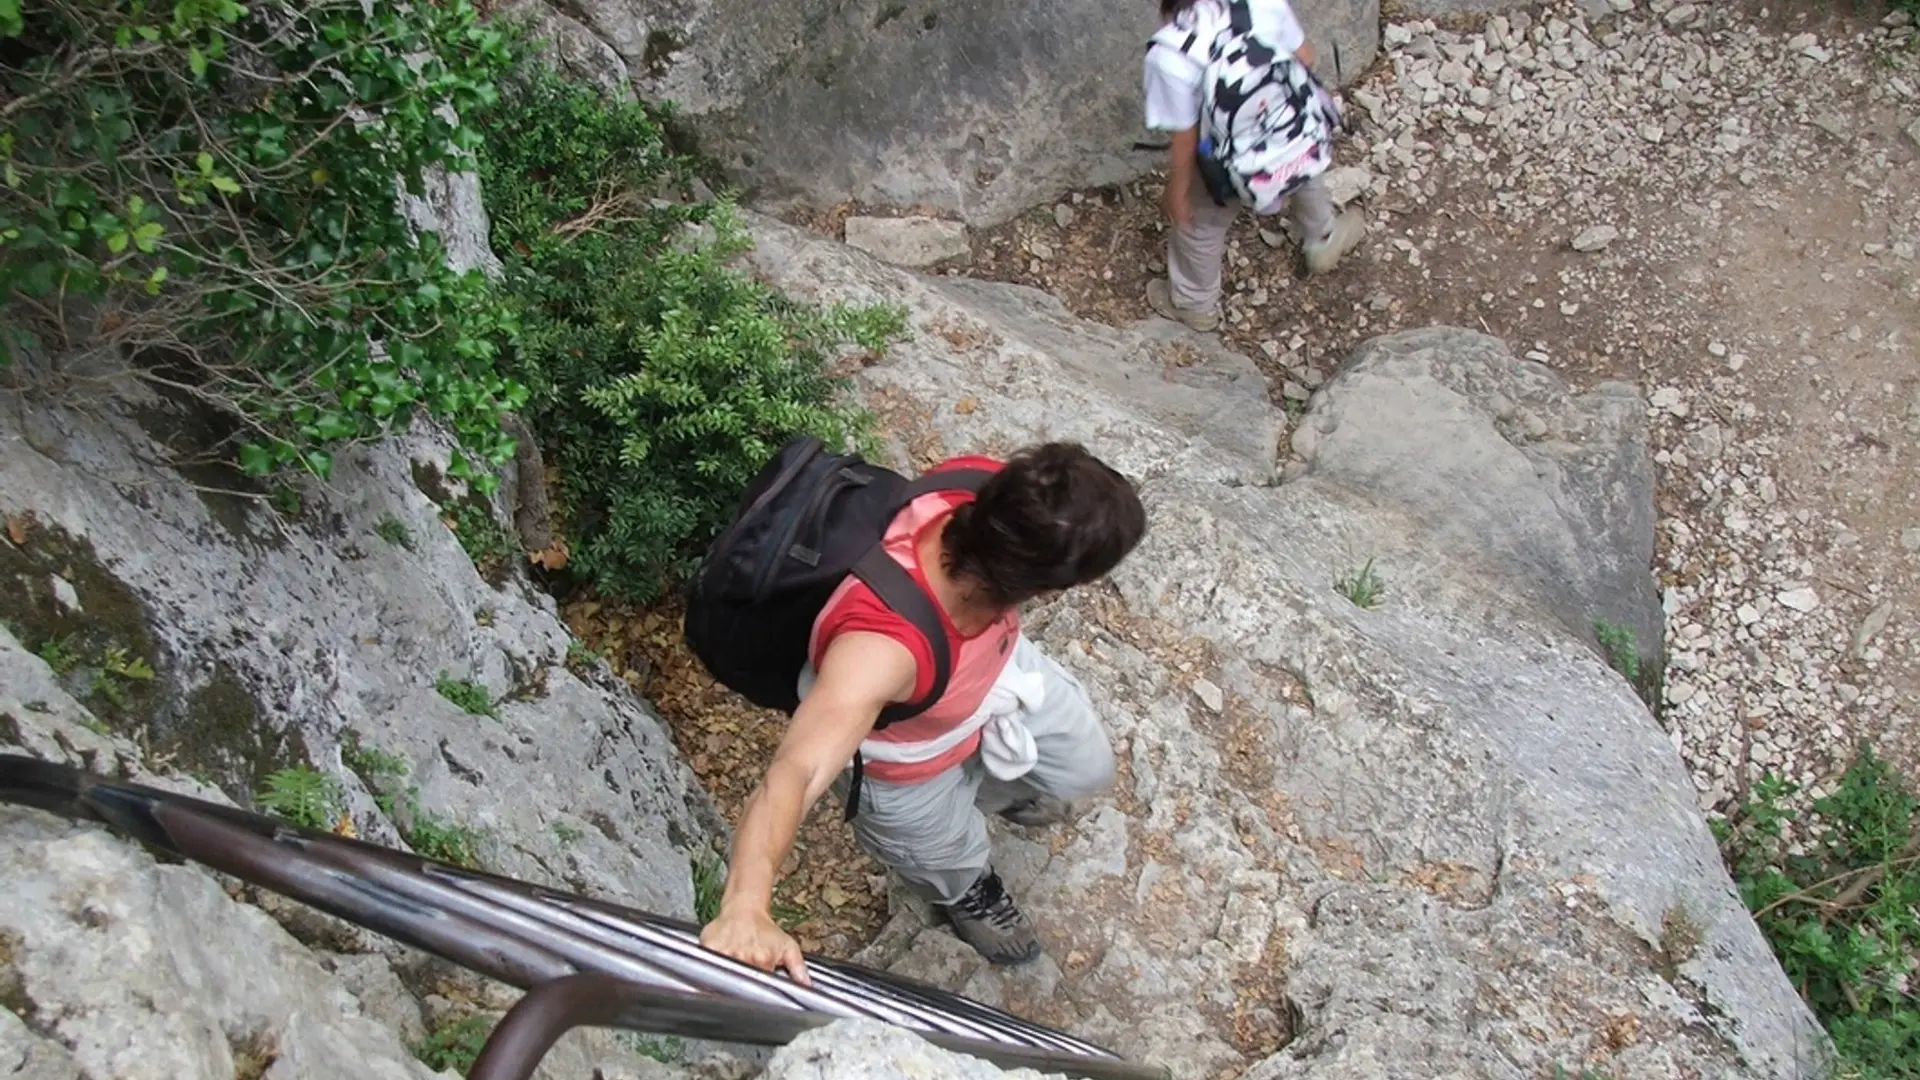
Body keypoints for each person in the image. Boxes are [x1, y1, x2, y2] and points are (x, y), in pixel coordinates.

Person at [697, 442, 1148, 979]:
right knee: (950, 856)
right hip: (906, 768)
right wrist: (747, 903)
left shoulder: (990, 494)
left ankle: (993, 791)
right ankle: (965, 890)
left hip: (988, 674)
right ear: (1046, 587)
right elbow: (794, 771)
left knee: (1084, 768)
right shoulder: (881, 651)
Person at [1143, 0, 1366, 333]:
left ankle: (1194, 305)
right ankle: (1322, 238)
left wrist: (1176, 192)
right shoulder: (1262, 4)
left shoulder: (1169, 55)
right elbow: (1304, 57)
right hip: (1292, 135)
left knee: (1201, 224)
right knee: (1305, 172)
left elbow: (1186, 137)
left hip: (1229, 162)